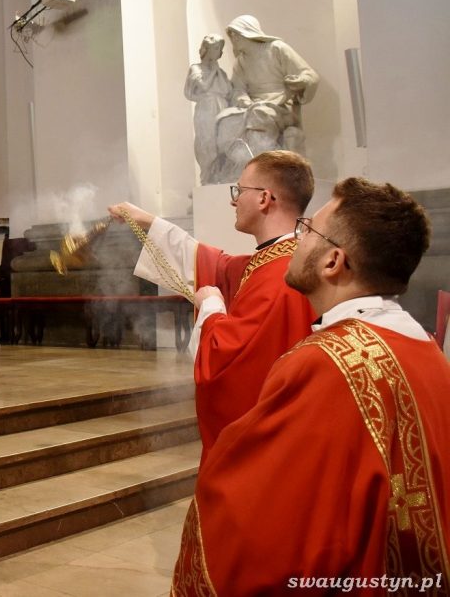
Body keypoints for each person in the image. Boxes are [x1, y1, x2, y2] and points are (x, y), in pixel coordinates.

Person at [172, 178, 450, 594]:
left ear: (333, 261)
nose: (296, 239)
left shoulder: (323, 364)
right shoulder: (426, 350)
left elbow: (268, 524)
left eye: (307, 230)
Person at [107, 150, 316, 459]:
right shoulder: (283, 261)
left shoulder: (278, 278)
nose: (234, 201)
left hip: (263, 448)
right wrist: (148, 221)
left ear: (264, 198)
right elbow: (215, 264)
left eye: (239, 191)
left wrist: (211, 306)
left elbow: (225, 363)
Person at [212, 15, 319, 181]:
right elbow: (238, 89)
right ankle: (237, 169)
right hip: (252, 106)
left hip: (281, 105)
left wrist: (300, 81)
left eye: (235, 34)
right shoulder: (241, 61)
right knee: (225, 120)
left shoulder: (277, 48)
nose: (232, 38)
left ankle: (262, 171)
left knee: (260, 114)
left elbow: (309, 74)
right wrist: (243, 99)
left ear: (247, 32)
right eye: (231, 34)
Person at [183, 34, 232, 185]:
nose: (219, 52)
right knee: (207, 141)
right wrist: (214, 72)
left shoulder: (221, 73)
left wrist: (218, 72)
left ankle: (220, 175)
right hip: (206, 108)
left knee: (221, 141)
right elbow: (203, 86)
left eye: (220, 49)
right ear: (207, 49)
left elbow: (227, 91)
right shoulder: (196, 68)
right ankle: (207, 176)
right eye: (216, 48)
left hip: (221, 106)